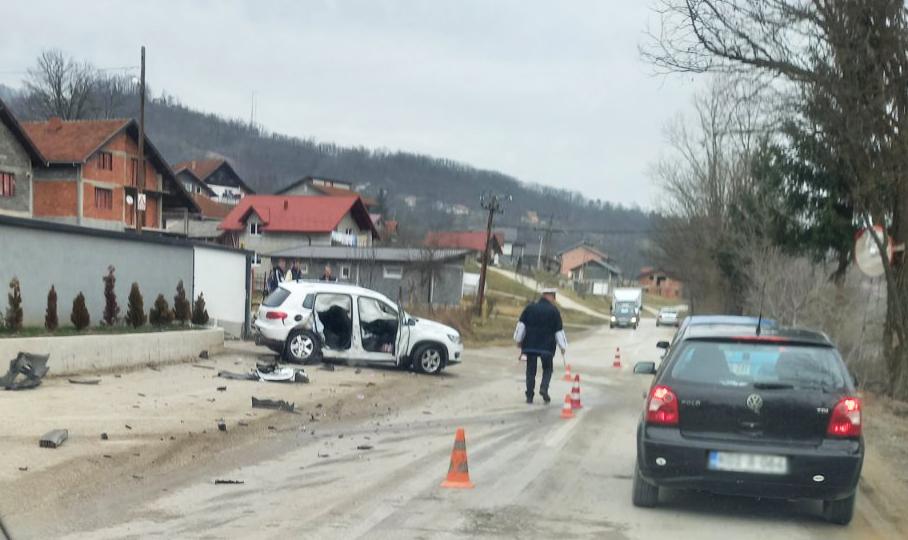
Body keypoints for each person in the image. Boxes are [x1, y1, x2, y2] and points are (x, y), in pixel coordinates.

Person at [513, 288, 568, 404]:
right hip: (547, 347)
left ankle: (529, 396)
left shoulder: (530, 308)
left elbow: (521, 326)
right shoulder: (554, 311)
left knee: (530, 370)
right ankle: (544, 388)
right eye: (554, 297)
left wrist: (518, 340)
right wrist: (562, 347)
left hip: (530, 345)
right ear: (552, 296)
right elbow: (558, 331)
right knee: (548, 368)